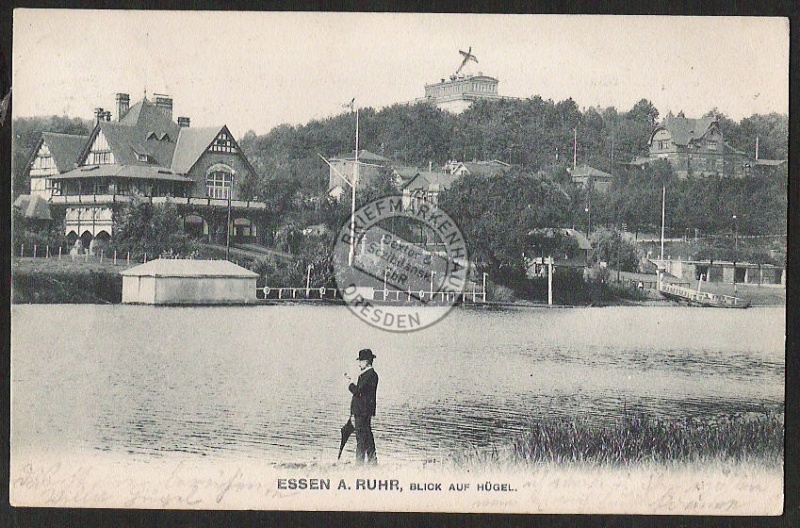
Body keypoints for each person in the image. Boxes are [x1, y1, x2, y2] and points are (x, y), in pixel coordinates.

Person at [345, 348, 379, 464]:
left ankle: (359, 464)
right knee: (367, 437)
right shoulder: (370, 375)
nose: (359, 364)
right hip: (365, 411)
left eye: (360, 361)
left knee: (361, 438)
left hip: (362, 412)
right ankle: (372, 462)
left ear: (366, 362)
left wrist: (350, 384)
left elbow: (358, 392)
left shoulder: (369, 375)